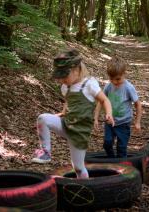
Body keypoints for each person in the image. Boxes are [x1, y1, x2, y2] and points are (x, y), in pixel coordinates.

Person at [32, 49, 114, 179]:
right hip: (66, 124)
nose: (61, 80)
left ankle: (86, 188)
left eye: (64, 76)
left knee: (78, 167)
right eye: (60, 77)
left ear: (76, 70)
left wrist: (109, 114)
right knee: (43, 119)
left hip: (79, 133)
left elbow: (104, 100)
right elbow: (68, 101)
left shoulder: (89, 84)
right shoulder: (66, 87)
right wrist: (63, 113)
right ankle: (45, 152)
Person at [94, 57, 142, 158]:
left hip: (123, 123)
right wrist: (96, 118)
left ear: (124, 74)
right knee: (107, 143)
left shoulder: (128, 88)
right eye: (111, 79)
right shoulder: (108, 86)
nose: (114, 82)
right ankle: (112, 161)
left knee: (121, 147)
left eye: (118, 79)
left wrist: (137, 122)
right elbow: (101, 101)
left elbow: (138, 104)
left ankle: (123, 168)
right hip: (110, 122)